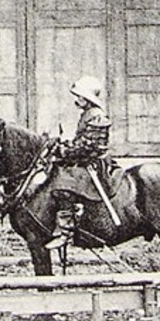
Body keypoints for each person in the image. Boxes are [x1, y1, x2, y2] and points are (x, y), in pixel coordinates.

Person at [44, 75, 114, 252]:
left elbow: (90, 146)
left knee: (62, 186)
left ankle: (66, 231)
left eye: (81, 97)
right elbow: (81, 141)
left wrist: (65, 152)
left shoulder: (96, 116)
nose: (77, 100)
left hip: (94, 164)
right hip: (85, 159)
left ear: (88, 98)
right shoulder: (87, 114)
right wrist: (64, 145)